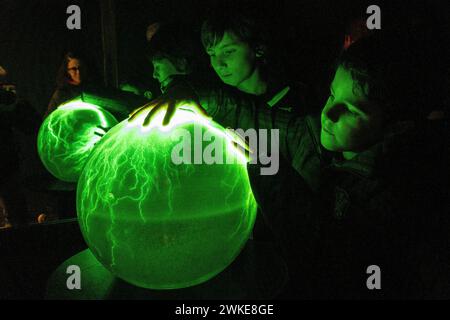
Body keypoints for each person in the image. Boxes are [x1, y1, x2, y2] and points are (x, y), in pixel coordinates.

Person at [303, 32, 450, 299]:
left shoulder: (392, 198)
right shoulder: (327, 139)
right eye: (332, 94)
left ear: (397, 127)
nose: (328, 112)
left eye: (352, 110)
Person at [45, 51, 99, 118]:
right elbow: (49, 119)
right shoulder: (61, 94)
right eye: (74, 69)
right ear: (67, 71)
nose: (78, 72)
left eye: (81, 68)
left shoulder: (94, 90)